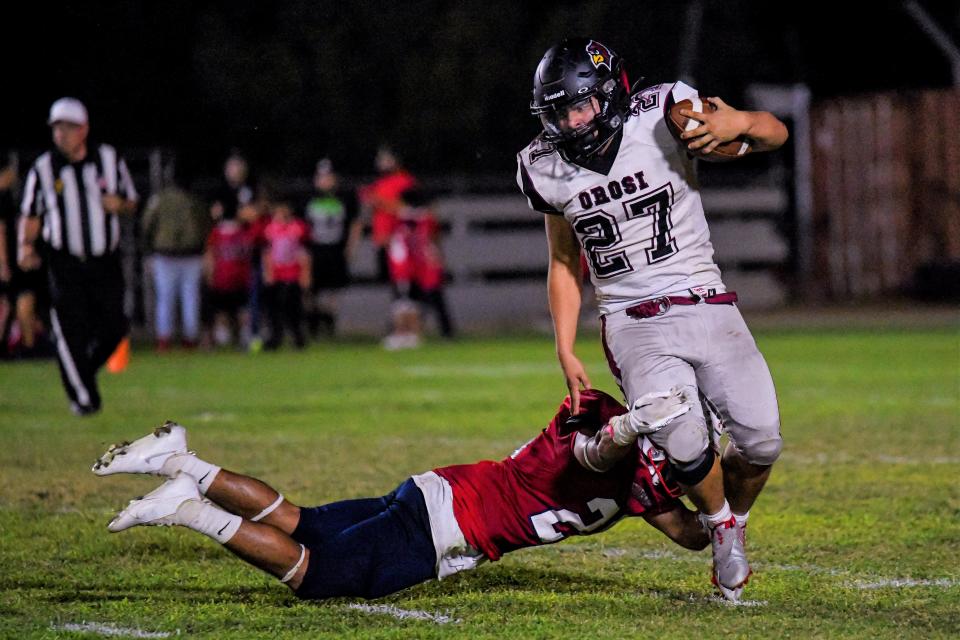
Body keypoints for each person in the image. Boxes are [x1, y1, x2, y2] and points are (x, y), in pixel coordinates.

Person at [516, 38, 788, 600]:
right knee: (686, 444)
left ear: (612, 90)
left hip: (707, 300)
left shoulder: (665, 112)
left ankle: (730, 519)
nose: (570, 121)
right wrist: (566, 348)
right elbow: (565, 261)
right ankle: (721, 527)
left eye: (581, 105)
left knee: (761, 442)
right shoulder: (542, 165)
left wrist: (738, 120)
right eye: (559, 111)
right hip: (631, 318)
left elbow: (773, 134)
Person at [93, 388, 711, 600]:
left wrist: (729, 502)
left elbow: (689, 533)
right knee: (317, 577)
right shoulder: (593, 424)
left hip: (434, 496)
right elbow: (594, 451)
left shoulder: (643, 485)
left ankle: (179, 457)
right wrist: (634, 426)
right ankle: (188, 508)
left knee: (299, 523)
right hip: (447, 524)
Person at [18, 98, 138, 415]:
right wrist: (25, 247)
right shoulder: (43, 168)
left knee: (115, 326)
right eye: (57, 128)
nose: (61, 134)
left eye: (68, 127)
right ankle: (84, 399)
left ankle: (81, 372)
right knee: (71, 329)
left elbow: (132, 201)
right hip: (64, 260)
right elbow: (30, 214)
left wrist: (120, 205)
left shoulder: (109, 159)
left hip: (104, 260)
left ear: (83, 129)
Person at [141, 164, 211, 351]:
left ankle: (164, 339)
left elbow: (146, 225)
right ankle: (190, 339)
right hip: (191, 253)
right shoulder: (194, 200)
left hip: (165, 254)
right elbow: (206, 225)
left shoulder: (159, 200)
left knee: (165, 298)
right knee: (190, 298)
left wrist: (148, 251)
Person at [382, 188, 454, 349]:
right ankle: (411, 334)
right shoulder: (420, 218)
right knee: (412, 302)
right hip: (415, 266)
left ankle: (406, 334)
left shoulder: (407, 218)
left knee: (405, 303)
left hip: (409, 266)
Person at [303, 159, 361, 338]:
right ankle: (314, 320)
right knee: (310, 287)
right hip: (315, 250)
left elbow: (355, 223)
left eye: (328, 176)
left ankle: (328, 320)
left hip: (335, 249)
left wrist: (352, 247)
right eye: (321, 177)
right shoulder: (308, 198)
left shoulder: (345, 197)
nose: (325, 180)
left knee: (334, 288)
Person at [0, 152, 49, 358]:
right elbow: (1, 230)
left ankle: (26, 345)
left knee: (17, 299)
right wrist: (3, 262)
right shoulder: (3, 198)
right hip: (9, 259)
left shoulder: (10, 196)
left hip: (13, 257)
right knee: (16, 299)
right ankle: (27, 346)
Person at [358, 146, 416, 285]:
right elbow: (368, 213)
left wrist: (376, 200)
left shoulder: (405, 181)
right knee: (384, 282)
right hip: (381, 238)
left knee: (403, 280)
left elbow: (408, 209)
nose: (381, 162)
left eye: (385, 159)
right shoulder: (378, 183)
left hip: (399, 239)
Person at [261, 200, 310, 350]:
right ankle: (275, 337)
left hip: (293, 273)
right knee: (274, 308)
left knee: (293, 308)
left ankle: (297, 336)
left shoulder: (297, 228)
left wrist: (305, 274)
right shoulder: (270, 230)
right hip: (277, 274)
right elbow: (268, 253)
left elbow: (303, 253)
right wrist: (268, 273)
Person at [203, 212, 255, 348]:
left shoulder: (219, 232)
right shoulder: (244, 233)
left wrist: (209, 274)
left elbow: (210, 254)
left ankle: (228, 335)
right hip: (236, 277)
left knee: (226, 310)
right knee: (238, 309)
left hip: (226, 277)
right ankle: (241, 336)